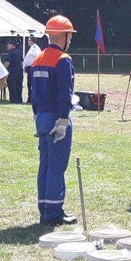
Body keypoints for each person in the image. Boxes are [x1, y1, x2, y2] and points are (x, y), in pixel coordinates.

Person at [30, 15, 79, 226]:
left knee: (45, 165)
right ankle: (53, 211)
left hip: (41, 115)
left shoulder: (37, 58)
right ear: (65, 36)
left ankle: (44, 207)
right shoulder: (63, 59)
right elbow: (64, 93)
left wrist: (36, 115)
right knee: (57, 166)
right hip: (56, 116)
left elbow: (32, 92)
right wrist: (63, 119)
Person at [23, 36, 41, 103]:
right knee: (29, 84)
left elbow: (37, 57)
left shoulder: (35, 48)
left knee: (32, 83)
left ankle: (32, 99)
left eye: (29, 40)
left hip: (33, 67)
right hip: (29, 68)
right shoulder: (32, 48)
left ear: (32, 41)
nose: (28, 41)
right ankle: (30, 98)